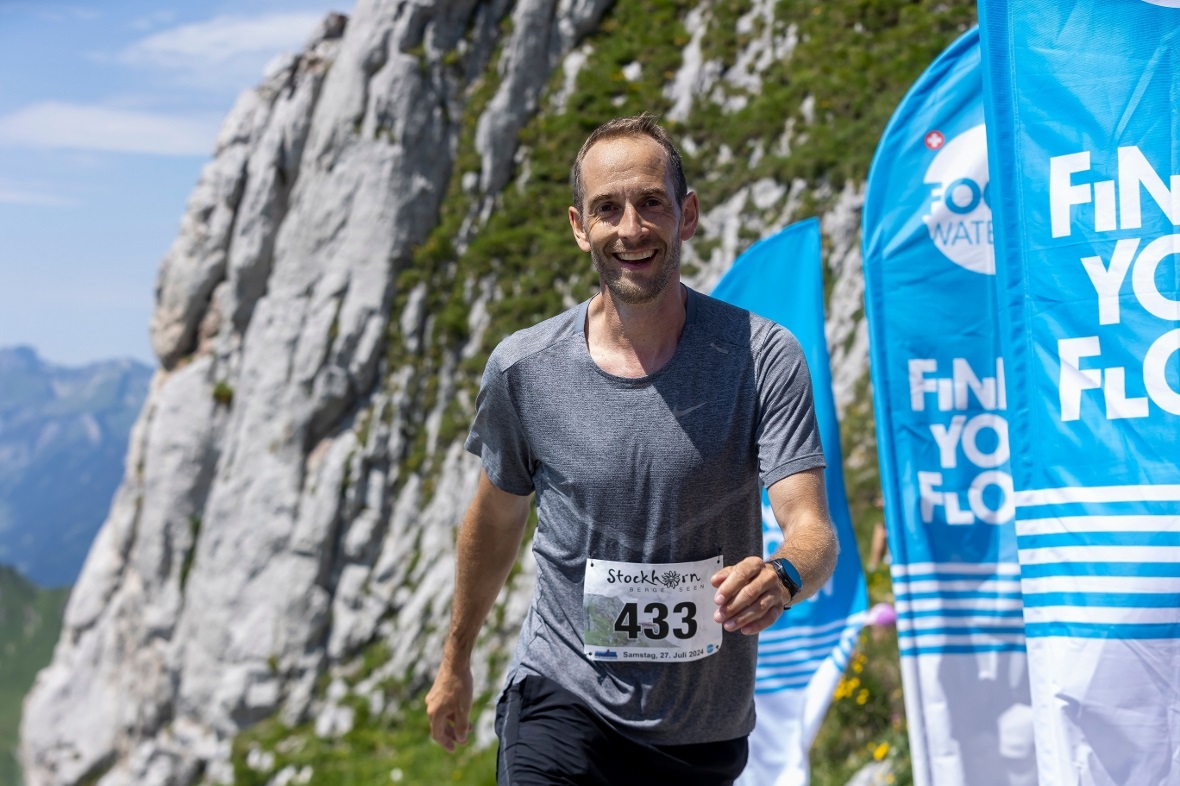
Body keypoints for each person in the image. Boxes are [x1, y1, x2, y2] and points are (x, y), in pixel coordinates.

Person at [426, 113, 839, 785]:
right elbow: (496, 520)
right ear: (578, 226)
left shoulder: (762, 357)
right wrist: (456, 660)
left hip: (700, 731)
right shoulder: (523, 369)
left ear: (688, 214)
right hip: (561, 703)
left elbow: (811, 529)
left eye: (651, 202)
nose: (631, 229)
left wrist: (784, 575)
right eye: (607, 209)